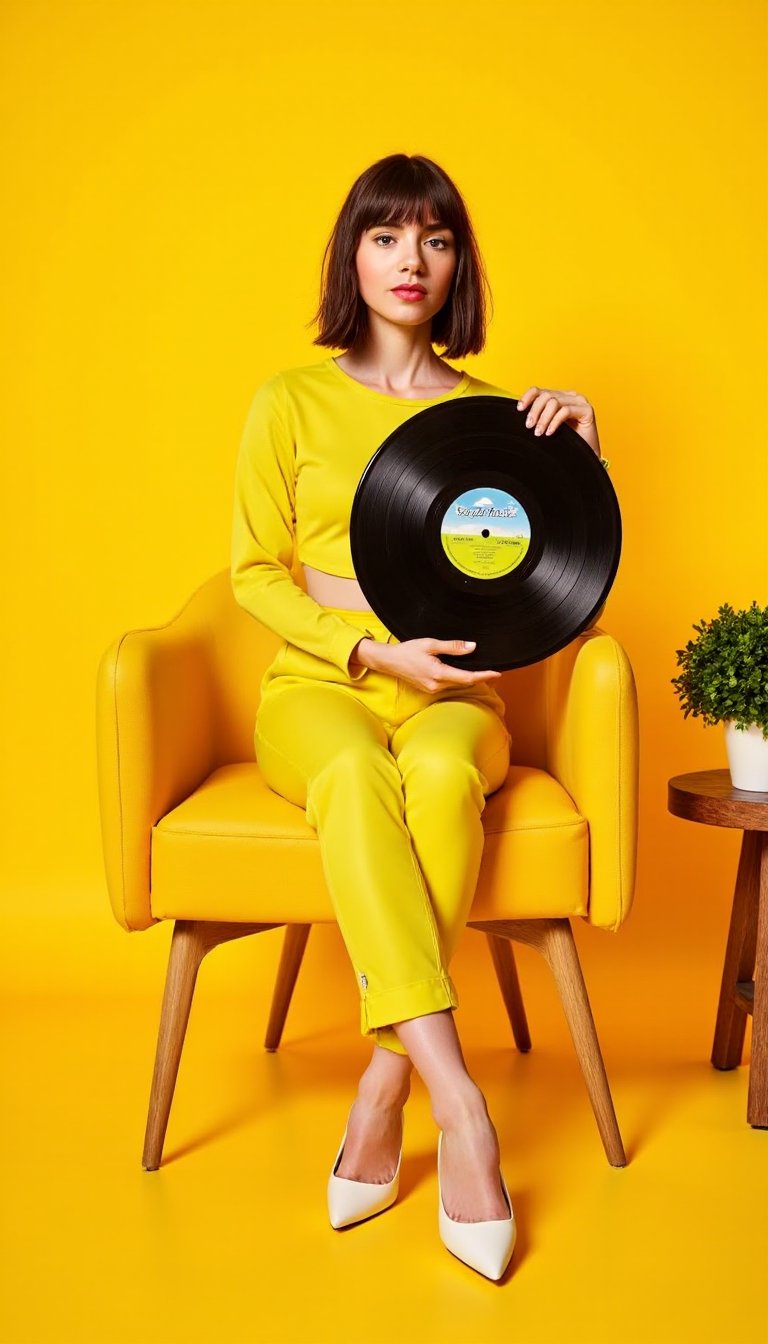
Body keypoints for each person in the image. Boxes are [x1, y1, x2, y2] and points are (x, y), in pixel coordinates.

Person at [230, 152, 605, 1280]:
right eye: (388, 236)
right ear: (354, 254)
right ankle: (461, 1101)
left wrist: (585, 459)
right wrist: (364, 646)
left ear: (457, 264)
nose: (412, 260)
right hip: (319, 687)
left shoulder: (503, 419)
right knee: (354, 778)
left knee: (441, 781)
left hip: (458, 700)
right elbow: (253, 574)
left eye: (434, 239)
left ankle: (385, 1084)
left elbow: (559, 595)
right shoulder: (287, 400)